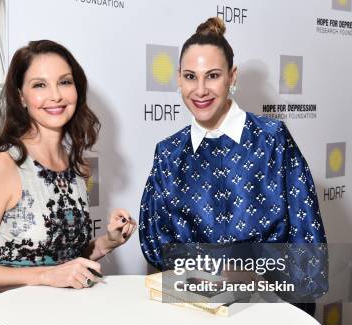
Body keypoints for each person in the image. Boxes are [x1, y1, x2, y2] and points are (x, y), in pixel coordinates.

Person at [138, 17, 327, 306]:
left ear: (232, 76)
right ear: (178, 78)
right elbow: (158, 246)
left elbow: (307, 237)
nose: (200, 90)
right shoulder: (169, 153)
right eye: (190, 76)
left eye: (212, 75)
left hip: (269, 306)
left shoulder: (271, 138)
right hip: (197, 308)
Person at [0, 40, 136, 308]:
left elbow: (62, 258)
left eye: (64, 82)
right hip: (2, 315)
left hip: (58, 312)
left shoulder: (73, 165)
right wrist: (46, 276)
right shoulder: (2, 164)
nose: (56, 96)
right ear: (21, 97)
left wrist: (107, 242)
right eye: (39, 85)